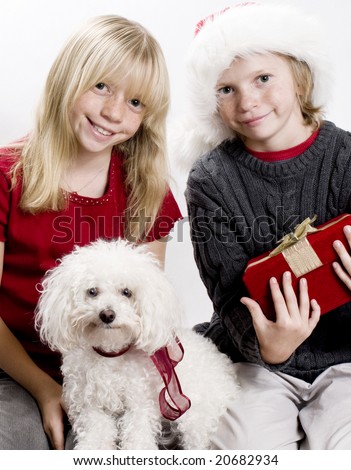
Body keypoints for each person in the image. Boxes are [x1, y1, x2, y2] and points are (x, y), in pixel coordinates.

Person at [0, 15, 182, 450]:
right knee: (20, 440)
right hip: (17, 365)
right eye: (102, 86)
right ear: (68, 77)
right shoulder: (8, 175)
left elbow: (141, 318)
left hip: (112, 372)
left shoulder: (146, 192)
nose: (114, 113)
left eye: (136, 102)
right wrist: (46, 389)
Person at [177, 2, 351, 449]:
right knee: (239, 448)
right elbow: (230, 300)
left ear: (298, 74)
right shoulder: (210, 180)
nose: (248, 101)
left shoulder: (346, 158)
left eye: (263, 78)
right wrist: (270, 348)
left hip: (348, 359)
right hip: (257, 362)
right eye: (226, 89)